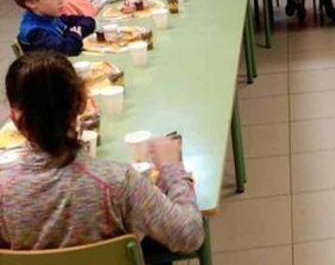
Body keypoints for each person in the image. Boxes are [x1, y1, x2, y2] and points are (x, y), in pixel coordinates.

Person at [0, 51, 204, 255]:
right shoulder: (117, 182)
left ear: (15, 118)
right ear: (81, 103)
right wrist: (172, 168)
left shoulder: (4, 190)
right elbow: (189, 235)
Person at [12, 0, 95, 56]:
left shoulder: (51, 15)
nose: (61, 0)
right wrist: (75, 34)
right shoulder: (35, 32)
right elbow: (67, 50)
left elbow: (89, 20)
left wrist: (77, 32)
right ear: (32, 3)